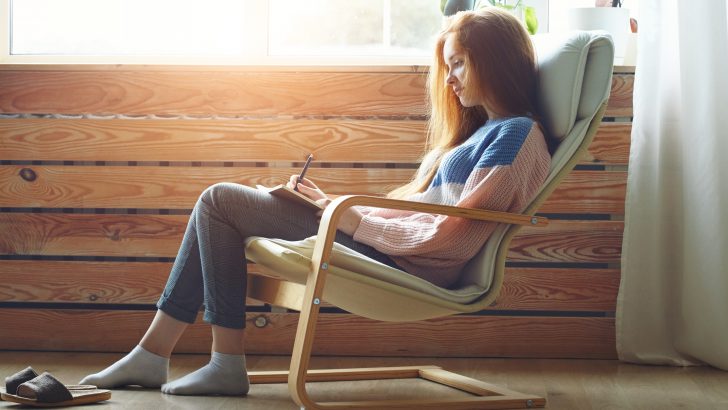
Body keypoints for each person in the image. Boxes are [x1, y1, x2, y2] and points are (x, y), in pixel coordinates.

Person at [79, 7, 551, 396]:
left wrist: (345, 219)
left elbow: (450, 233)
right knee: (218, 206)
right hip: (389, 247)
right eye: (448, 65)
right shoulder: (481, 133)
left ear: (496, 61)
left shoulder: (516, 135)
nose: (449, 78)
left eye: (460, 63)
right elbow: (420, 211)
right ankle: (159, 356)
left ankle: (201, 361)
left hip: (412, 265)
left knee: (219, 202)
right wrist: (335, 206)